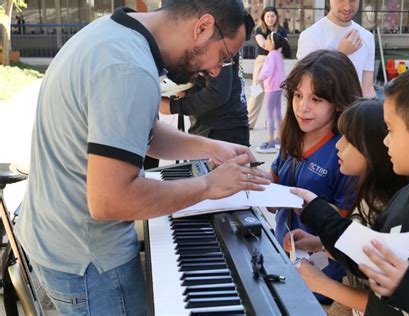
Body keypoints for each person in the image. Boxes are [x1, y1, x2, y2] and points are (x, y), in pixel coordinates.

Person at [15, 1, 268, 315]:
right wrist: (207, 186)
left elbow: (138, 134)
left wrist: (212, 148)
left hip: (58, 239)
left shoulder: (114, 35)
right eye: (224, 56)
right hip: (90, 262)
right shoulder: (129, 69)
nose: (216, 70)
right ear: (202, 27)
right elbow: (112, 199)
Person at [291, 56, 409, 314]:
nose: (385, 141)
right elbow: (366, 254)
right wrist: (316, 210)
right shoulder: (406, 195)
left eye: (390, 129)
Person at [283, 99, 409, 314]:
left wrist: (322, 284)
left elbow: (390, 306)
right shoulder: (367, 194)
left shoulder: (387, 209)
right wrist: (318, 244)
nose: (338, 145)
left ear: (375, 148)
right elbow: (362, 256)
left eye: (349, 140)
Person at [267, 50, 362, 304]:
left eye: (316, 99)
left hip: (325, 282)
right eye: (297, 95)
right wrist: (254, 181)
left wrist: (309, 207)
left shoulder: (346, 153)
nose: (302, 107)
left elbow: (349, 224)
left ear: (339, 102)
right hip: (284, 260)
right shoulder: (292, 136)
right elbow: (272, 194)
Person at [160, 52, 250, 146]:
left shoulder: (217, 42)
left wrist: (173, 106)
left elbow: (217, 93)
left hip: (221, 130)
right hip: (213, 127)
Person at [296, 0, 376, 98]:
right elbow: (308, 87)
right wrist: (340, 54)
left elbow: (367, 87)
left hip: (356, 111)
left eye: (353, 0)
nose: (347, 7)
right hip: (323, 111)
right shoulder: (310, 36)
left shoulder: (367, 37)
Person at [247, 6, 287, 129]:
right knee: (257, 91)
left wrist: (274, 45)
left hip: (277, 61)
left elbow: (283, 46)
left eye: (272, 16)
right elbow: (263, 44)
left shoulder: (281, 30)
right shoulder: (259, 29)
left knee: (273, 92)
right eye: (267, 16)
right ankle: (249, 122)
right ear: (263, 17)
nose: (270, 18)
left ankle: (269, 123)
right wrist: (275, 44)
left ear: (276, 17)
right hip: (262, 60)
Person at [256, 32, 289, 153]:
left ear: (272, 43)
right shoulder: (279, 55)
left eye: (268, 40)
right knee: (278, 114)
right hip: (279, 88)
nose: (266, 42)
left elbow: (267, 70)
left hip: (271, 88)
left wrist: (260, 77)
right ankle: (279, 139)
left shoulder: (271, 55)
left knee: (269, 115)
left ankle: (270, 142)